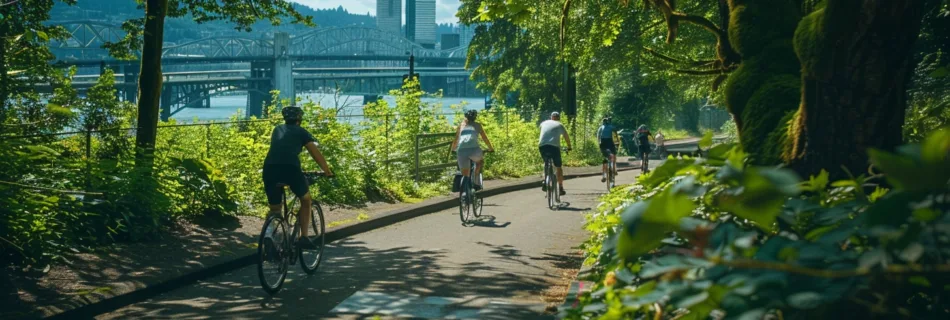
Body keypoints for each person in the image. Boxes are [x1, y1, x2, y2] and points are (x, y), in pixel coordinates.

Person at [262, 106, 334, 250]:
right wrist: (327, 171)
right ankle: (304, 237)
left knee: (275, 209)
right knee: (306, 200)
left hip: (269, 169)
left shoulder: (277, 129)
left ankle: (268, 235)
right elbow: (315, 152)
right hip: (290, 169)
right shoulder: (301, 131)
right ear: (299, 119)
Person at [449, 109, 495, 192]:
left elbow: (456, 140)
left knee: (465, 174)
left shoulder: (461, 125)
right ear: (475, 117)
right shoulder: (478, 125)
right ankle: (476, 181)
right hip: (474, 150)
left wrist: (453, 149)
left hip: (461, 151)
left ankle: (464, 190)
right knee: (479, 162)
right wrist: (491, 148)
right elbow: (485, 138)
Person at [539, 111, 573, 195]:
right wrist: (569, 146)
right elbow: (566, 137)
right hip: (554, 147)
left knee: (546, 162)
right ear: (559, 118)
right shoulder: (560, 125)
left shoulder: (543, 123)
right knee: (558, 167)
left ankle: (545, 180)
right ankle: (561, 187)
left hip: (542, 146)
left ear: (551, 117)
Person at [596, 117, 620, 182]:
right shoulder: (611, 127)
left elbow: (598, 136)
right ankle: (614, 170)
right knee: (614, 155)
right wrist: (617, 142)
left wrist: (599, 143)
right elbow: (615, 135)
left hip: (603, 143)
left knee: (605, 159)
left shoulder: (601, 127)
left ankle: (603, 176)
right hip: (610, 142)